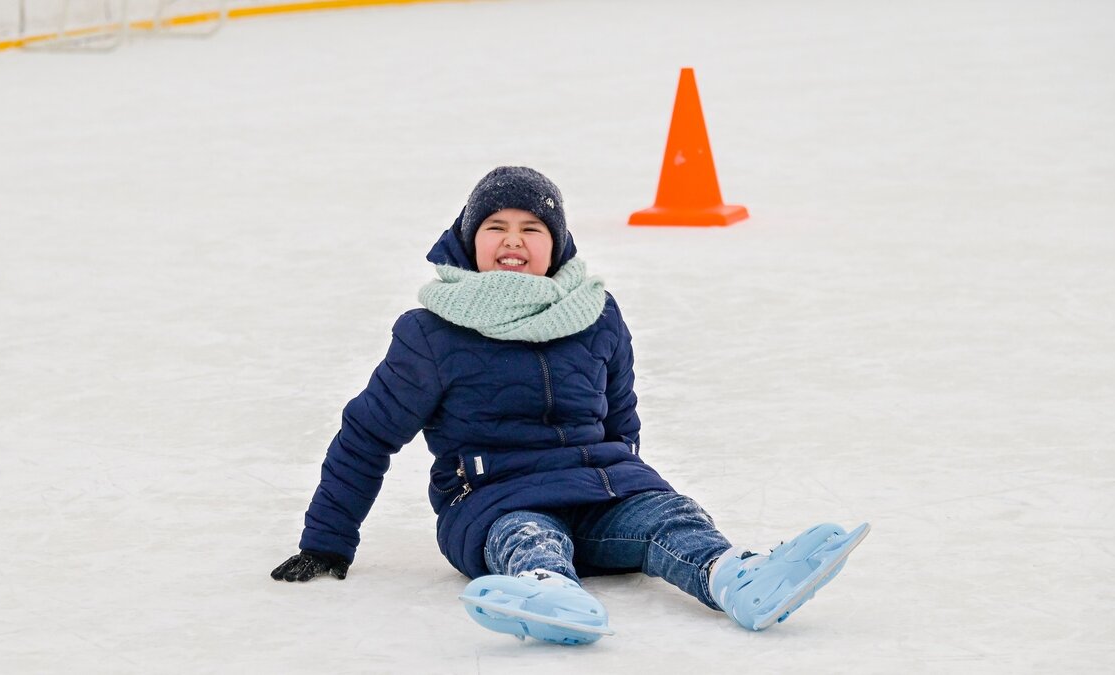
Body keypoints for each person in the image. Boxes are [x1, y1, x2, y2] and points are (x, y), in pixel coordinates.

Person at [270, 166, 869, 645]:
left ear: (555, 245)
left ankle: (737, 579)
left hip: (603, 489)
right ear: (468, 239)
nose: (512, 240)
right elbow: (367, 435)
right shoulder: (432, 333)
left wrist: (634, 481)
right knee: (527, 535)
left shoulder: (596, 313)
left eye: (532, 228)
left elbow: (620, 414)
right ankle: (548, 592)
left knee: (671, 517)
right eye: (495, 226)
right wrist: (326, 542)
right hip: (492, 500)